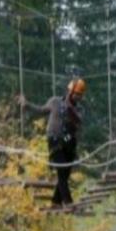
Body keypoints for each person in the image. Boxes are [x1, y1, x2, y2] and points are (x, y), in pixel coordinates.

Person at [20, 77, 86, 207]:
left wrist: (71, 110)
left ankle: (56, 202)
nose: (79, 97)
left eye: (80, 95)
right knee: (61, 171)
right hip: (55, 140)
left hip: (69, 141)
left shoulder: (79, 109)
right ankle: (68, 202)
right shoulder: (55, 101)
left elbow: (79, 121)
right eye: (77, 94)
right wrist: (26, 104)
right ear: (70, 92)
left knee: (65, 174)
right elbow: (41, 110)